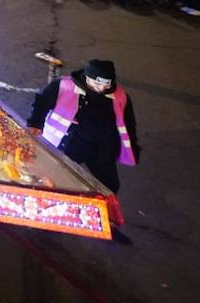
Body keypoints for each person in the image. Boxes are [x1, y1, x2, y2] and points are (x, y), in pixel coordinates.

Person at [28, 58, 139, 203]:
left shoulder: (120, 96)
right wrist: (36, 123)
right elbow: (42, 103)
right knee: (58, 177)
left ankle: (104, 210)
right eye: (97, 83)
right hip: (70, 143)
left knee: (109, 185)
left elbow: (128, 122)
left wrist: (132, 147)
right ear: (87, 78)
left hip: (101, 147)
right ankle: (50, 203)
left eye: (107, 84)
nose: (101, 88)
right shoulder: (63, 86)